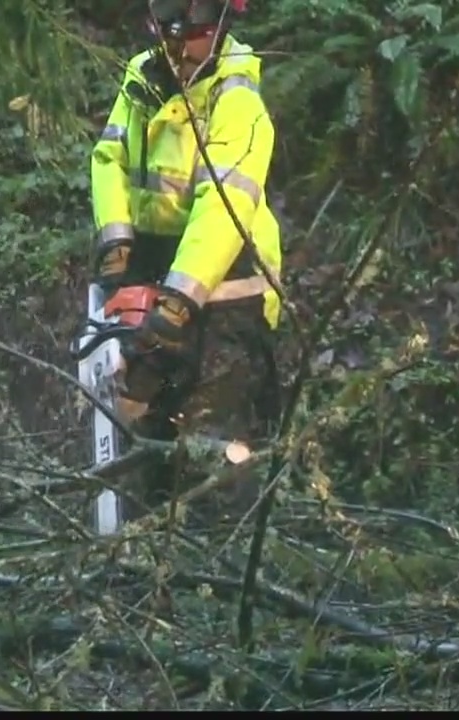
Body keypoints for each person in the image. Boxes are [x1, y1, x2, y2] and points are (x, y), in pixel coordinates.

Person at [89, 0, 282, 519]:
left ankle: (223, 564)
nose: (178, 38)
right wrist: (116, 243)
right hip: (156, 278)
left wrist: (178, 299)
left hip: (227, 293)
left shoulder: (236, 98)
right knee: (145, 431)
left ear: (221, 23)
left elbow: (225, 206)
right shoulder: (143, 77)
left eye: (193, 21)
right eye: (170, 16)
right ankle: (142, 563)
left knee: (211, 442)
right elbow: (109, 158)